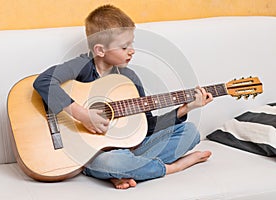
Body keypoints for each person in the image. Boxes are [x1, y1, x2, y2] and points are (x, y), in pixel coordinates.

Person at [33, 4, 213, 189]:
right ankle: (171, 168)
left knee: (190, 132)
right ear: (100, 50)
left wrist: (186, 108)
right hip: (91, 155)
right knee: (112, 162)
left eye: (131, 43)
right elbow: (44, 81)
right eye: (124, 46)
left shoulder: (130, 79)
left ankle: (122, 172)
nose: (132, 50)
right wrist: (82, 115)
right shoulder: (82, 66)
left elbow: (148, 126)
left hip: (128, 150)